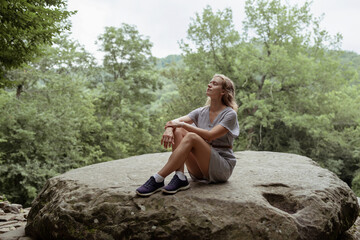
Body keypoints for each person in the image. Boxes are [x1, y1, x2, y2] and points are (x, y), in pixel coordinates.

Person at [136, 74, 239, 196]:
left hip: (221, 168)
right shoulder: (201, 111)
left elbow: (210, 136)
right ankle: (180, 177)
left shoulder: (230, 114)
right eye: (210, 82)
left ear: (223, 91)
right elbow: (174, 122)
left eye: (214, 84)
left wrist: (183, 125)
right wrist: (170, 128)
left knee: (190, 135)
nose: (209, 85)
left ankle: (158, 178)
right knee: (178, 131)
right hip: (200, 169)